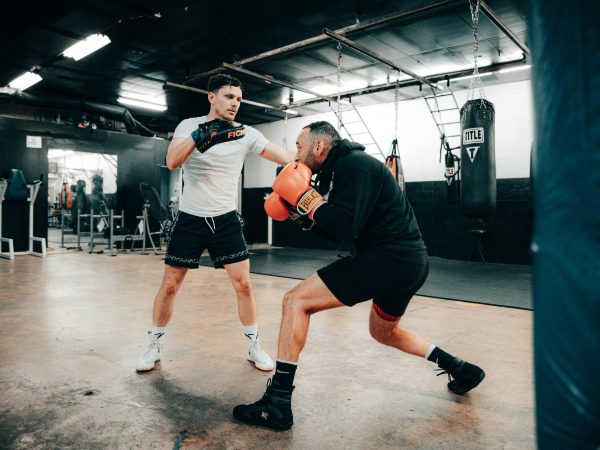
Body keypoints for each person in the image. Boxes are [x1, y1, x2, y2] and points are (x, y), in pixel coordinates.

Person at [233, 121, 485, 430]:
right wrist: (301, 214)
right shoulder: (341, 170)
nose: (295, 154)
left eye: (299, 146)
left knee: (295, 301)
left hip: (388, 259)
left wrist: (304, 198)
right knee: (384, 331)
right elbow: (338, 229)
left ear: (318, 146)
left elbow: (344, 225)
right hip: (408, 262)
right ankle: (460, 368)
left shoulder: (355, 166)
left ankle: (277, 403)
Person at [135, 73, 295, 373]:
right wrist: (199, 136)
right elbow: (172, 161)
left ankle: (254, 346)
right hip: (190, 219)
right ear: (212, 97)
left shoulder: (246, 133)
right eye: (229, 96)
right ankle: (153, 345)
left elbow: (285, 155)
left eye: (239, 99)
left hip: (225, 220)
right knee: (169, 285)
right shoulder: (189, 126)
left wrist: (323, 153)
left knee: (244, 285)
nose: (235, 103)